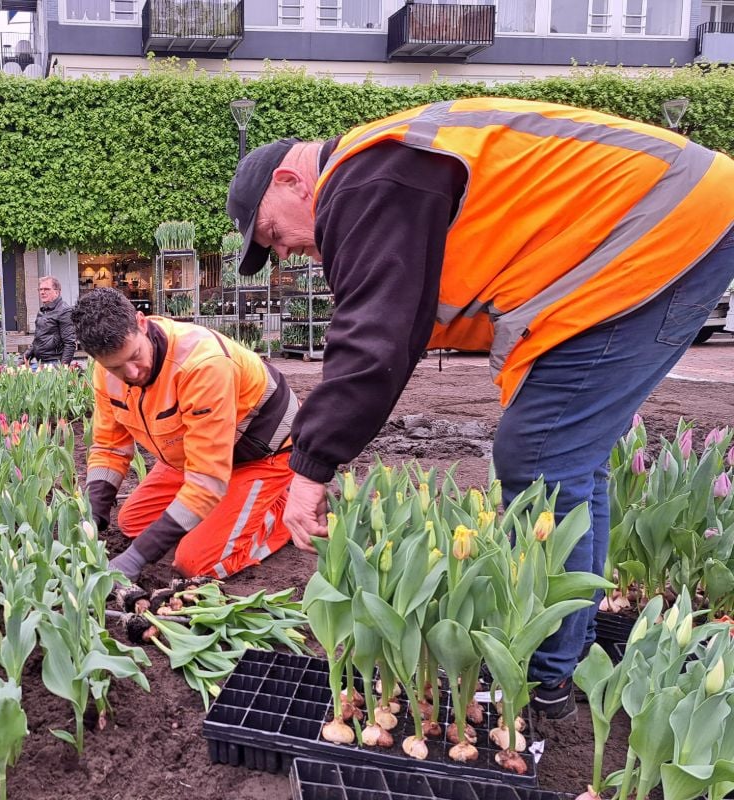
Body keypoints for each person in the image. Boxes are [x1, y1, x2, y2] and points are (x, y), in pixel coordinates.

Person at [227, 96, 734, 719]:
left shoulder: (365, 179)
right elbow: (397, 324)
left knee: (539, 454)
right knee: (562, 461)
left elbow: (373, 341)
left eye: (274, 235)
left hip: (658, 230)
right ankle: (563, 659)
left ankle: (542, 677)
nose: (285, 253)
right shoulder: (384, 171)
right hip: (660, 228)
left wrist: (310, 466)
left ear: (291, 180)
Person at [73, 288, 299, 582]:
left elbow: (208, 479)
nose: (132, 373)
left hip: (261, 456)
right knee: (133, 523)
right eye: (115, 367)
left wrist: (138, 557)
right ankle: (233, 510)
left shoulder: (202, 364)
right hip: (195, 455)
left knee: (196, 562)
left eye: (135, 356)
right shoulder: (105, 374)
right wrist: (93, 516)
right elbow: (110, 447)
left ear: (141, 323)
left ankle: (286, 509)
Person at [23, 276, 77, 365]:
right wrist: (25, 356)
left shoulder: (64, 311)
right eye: (40, 289)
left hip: (55, 363)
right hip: (40, 362)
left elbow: (70, 343)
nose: (42, 292)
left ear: (57, 292)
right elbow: (38, 340)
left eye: (46, 289)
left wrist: (63, 369)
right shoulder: (42, 311)